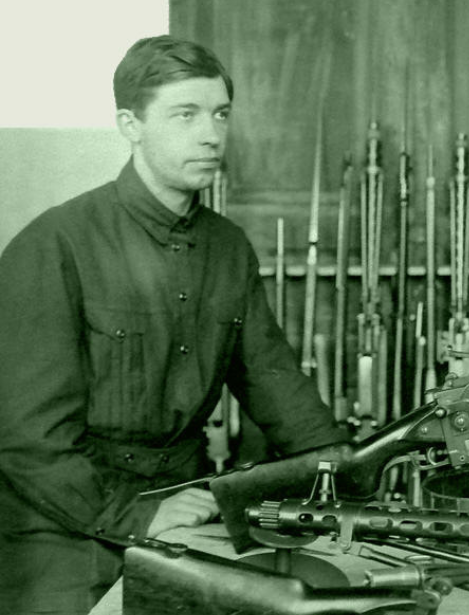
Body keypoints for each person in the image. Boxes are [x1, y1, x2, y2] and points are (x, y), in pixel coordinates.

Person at [0, 35, 347, 614]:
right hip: (61, 531)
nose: (212, 134)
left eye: (220, 114)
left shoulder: (229, 248)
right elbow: (30, 441)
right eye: (185, 114)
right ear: (130, 124)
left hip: (182, 508)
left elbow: (274, 382)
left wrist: (347, 470)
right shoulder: (54, 243)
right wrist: (136, 515)